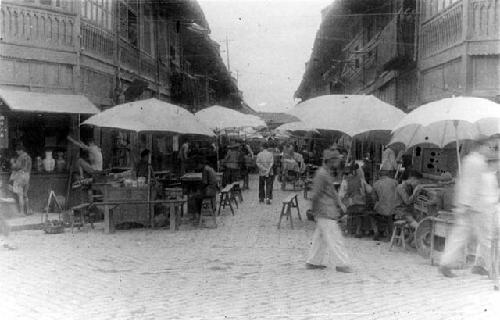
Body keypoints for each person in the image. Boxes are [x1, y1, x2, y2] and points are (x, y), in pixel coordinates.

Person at [439, 140, 499, 278]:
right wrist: (466, 204)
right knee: (485, 239)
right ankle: (491, 269)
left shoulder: (469, 160)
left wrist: (462, 204)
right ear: (481, 146)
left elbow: (463, 183)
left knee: (460, 236)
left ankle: (446, 263)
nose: (489, 149)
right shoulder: (478, 162)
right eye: (487, 146)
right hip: (476, 206)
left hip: (469, 204)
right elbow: (471, 185)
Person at [306, 148, 353, 273]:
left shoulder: (326, 173)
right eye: (336, 159)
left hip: (325, 210)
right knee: (335, 238)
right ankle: (342, 263)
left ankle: (313, 261)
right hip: (325, 210)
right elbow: (316, 193)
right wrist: (313, 209)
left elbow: (331, 191)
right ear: (331, 160)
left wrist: (339, 203)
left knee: (319, 238)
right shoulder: (322, 174)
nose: (338, 161)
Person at [339, 163, 370, 238]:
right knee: (359, 212)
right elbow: (367, 191)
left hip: (351, 205)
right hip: (361, 204)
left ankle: (350, 229)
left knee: (348, 208)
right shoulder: (361, 180)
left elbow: (341, 195)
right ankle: (359, 230)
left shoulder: (345, 181)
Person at [370, 170, 399, 241]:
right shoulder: (395, 182)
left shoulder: (376, 184)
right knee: (390, 217)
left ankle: (376, 231)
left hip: (382, 209)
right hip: (394, 208)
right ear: (387, 175)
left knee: (372, 216)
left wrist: (376, 204)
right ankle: (391, 234)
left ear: (379, 176)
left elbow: (374, 199)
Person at [9, 144, 32, 216]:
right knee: (25, 194)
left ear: (21, 150)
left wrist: (12, 162)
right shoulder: (29, 157)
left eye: (17, 151)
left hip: (21, 176)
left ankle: (21, 212)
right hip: (27, 176)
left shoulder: (20, 157)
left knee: (20, 195)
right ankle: (28, 210)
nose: (17, 152)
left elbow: (16, 167)